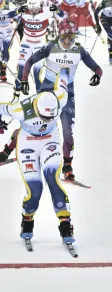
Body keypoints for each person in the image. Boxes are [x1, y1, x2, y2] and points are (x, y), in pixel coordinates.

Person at [0, 19, 103, 181]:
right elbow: (29, 61)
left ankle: (67, 167)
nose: (67, 42)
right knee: (32, 125)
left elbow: (97, 68)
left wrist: (97, 75)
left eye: (71, 38)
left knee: (68, 132)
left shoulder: (80, 50)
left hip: (67, 94)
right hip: (46, 94)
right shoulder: (51, 47)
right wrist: (25, 79)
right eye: (63, 38)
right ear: (58, 36)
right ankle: (6, 152)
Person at [0, 67, 76, 244]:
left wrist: (64, 70)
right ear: (36, 109)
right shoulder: (21, 109)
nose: (48, 120)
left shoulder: (60, 98)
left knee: (53, 179)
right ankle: (27, 220)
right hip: (28, 143)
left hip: (50, 140)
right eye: (44, 117)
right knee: (35, 189)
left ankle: (66, 223)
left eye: (51, 117)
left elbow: (63, 80)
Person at [10, 0, 63, 93]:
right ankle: (16, 95)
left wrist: (57, 10)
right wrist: (17, 11)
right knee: (21, 71)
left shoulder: (46, 11)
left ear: (40, 5)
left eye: (36, 8)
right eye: (31, 9)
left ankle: (40, 97)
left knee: (37, 73)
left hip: (39, 46)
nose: (34, 11)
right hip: (26, 45)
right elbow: (8, 15)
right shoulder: (24, 11)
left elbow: (63, 15)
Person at [0, 0, 18, 82]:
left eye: (0, 0)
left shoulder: (9, 5)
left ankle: (3, 70)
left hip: (8, 29)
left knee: (6, 48)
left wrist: (19, 19)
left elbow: (19, 15)